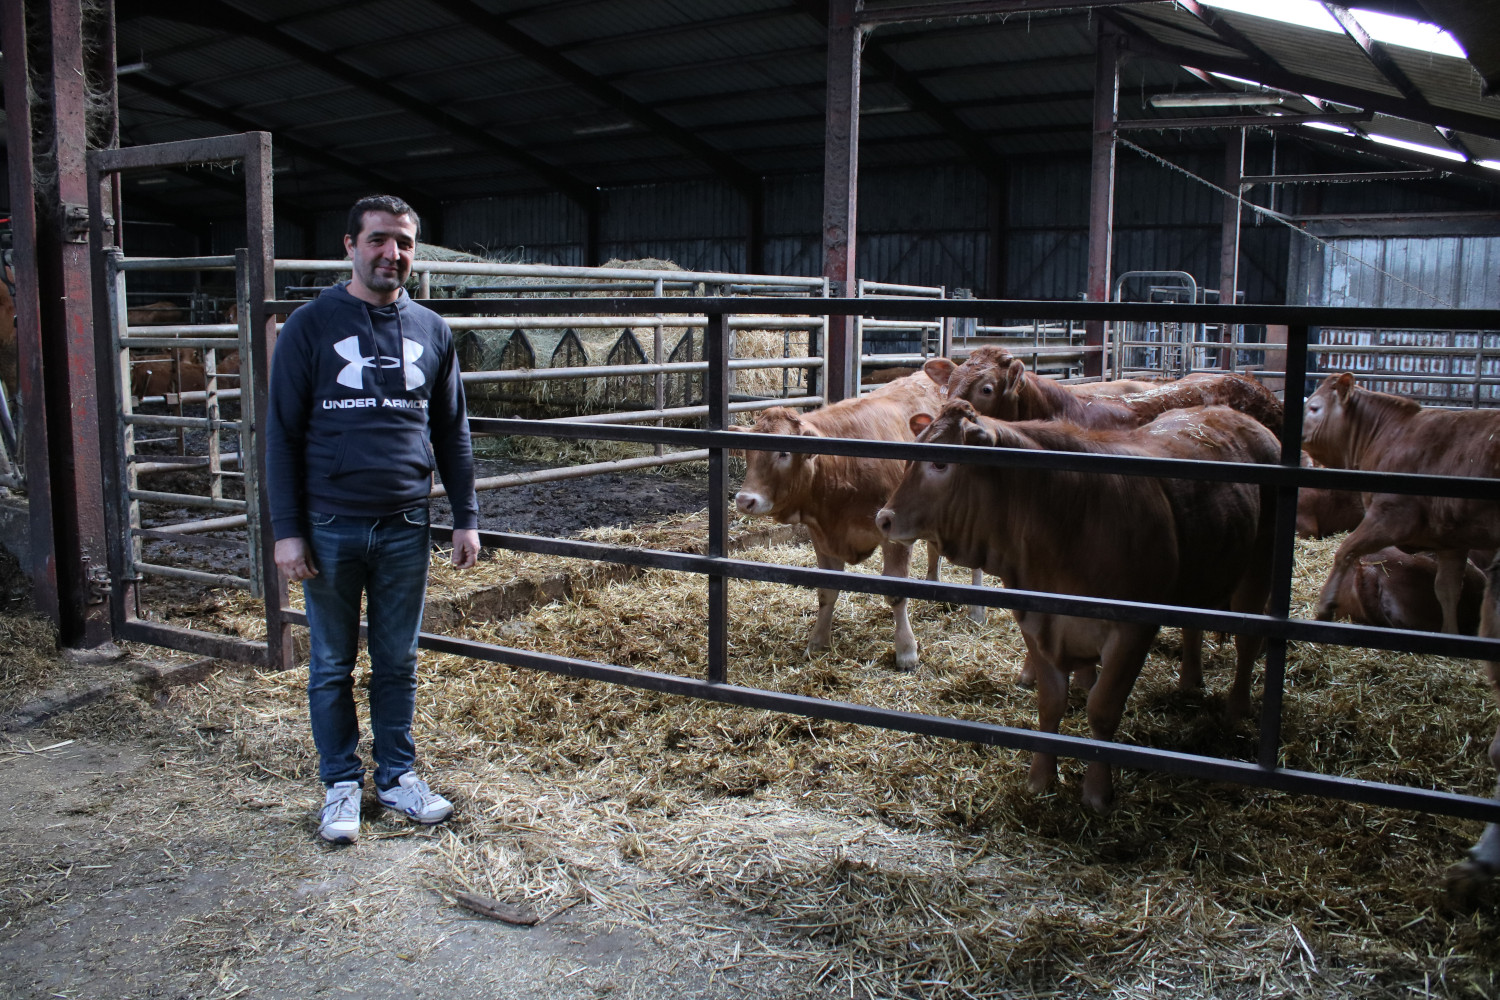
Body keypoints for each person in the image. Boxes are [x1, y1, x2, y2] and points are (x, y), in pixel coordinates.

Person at [266, 194, 481, 845]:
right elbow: (280, 433)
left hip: (405, 526)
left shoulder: (432, 330)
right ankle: (339, 784)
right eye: (381, 240)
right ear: (351, 246)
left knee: (397, 659)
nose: (394, 254)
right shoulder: (310, 325)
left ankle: (396, 777)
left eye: (405, 244)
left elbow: (453, 431)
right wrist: (287, 530)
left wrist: (464, 516)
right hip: (329, 525)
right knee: (331, 662)